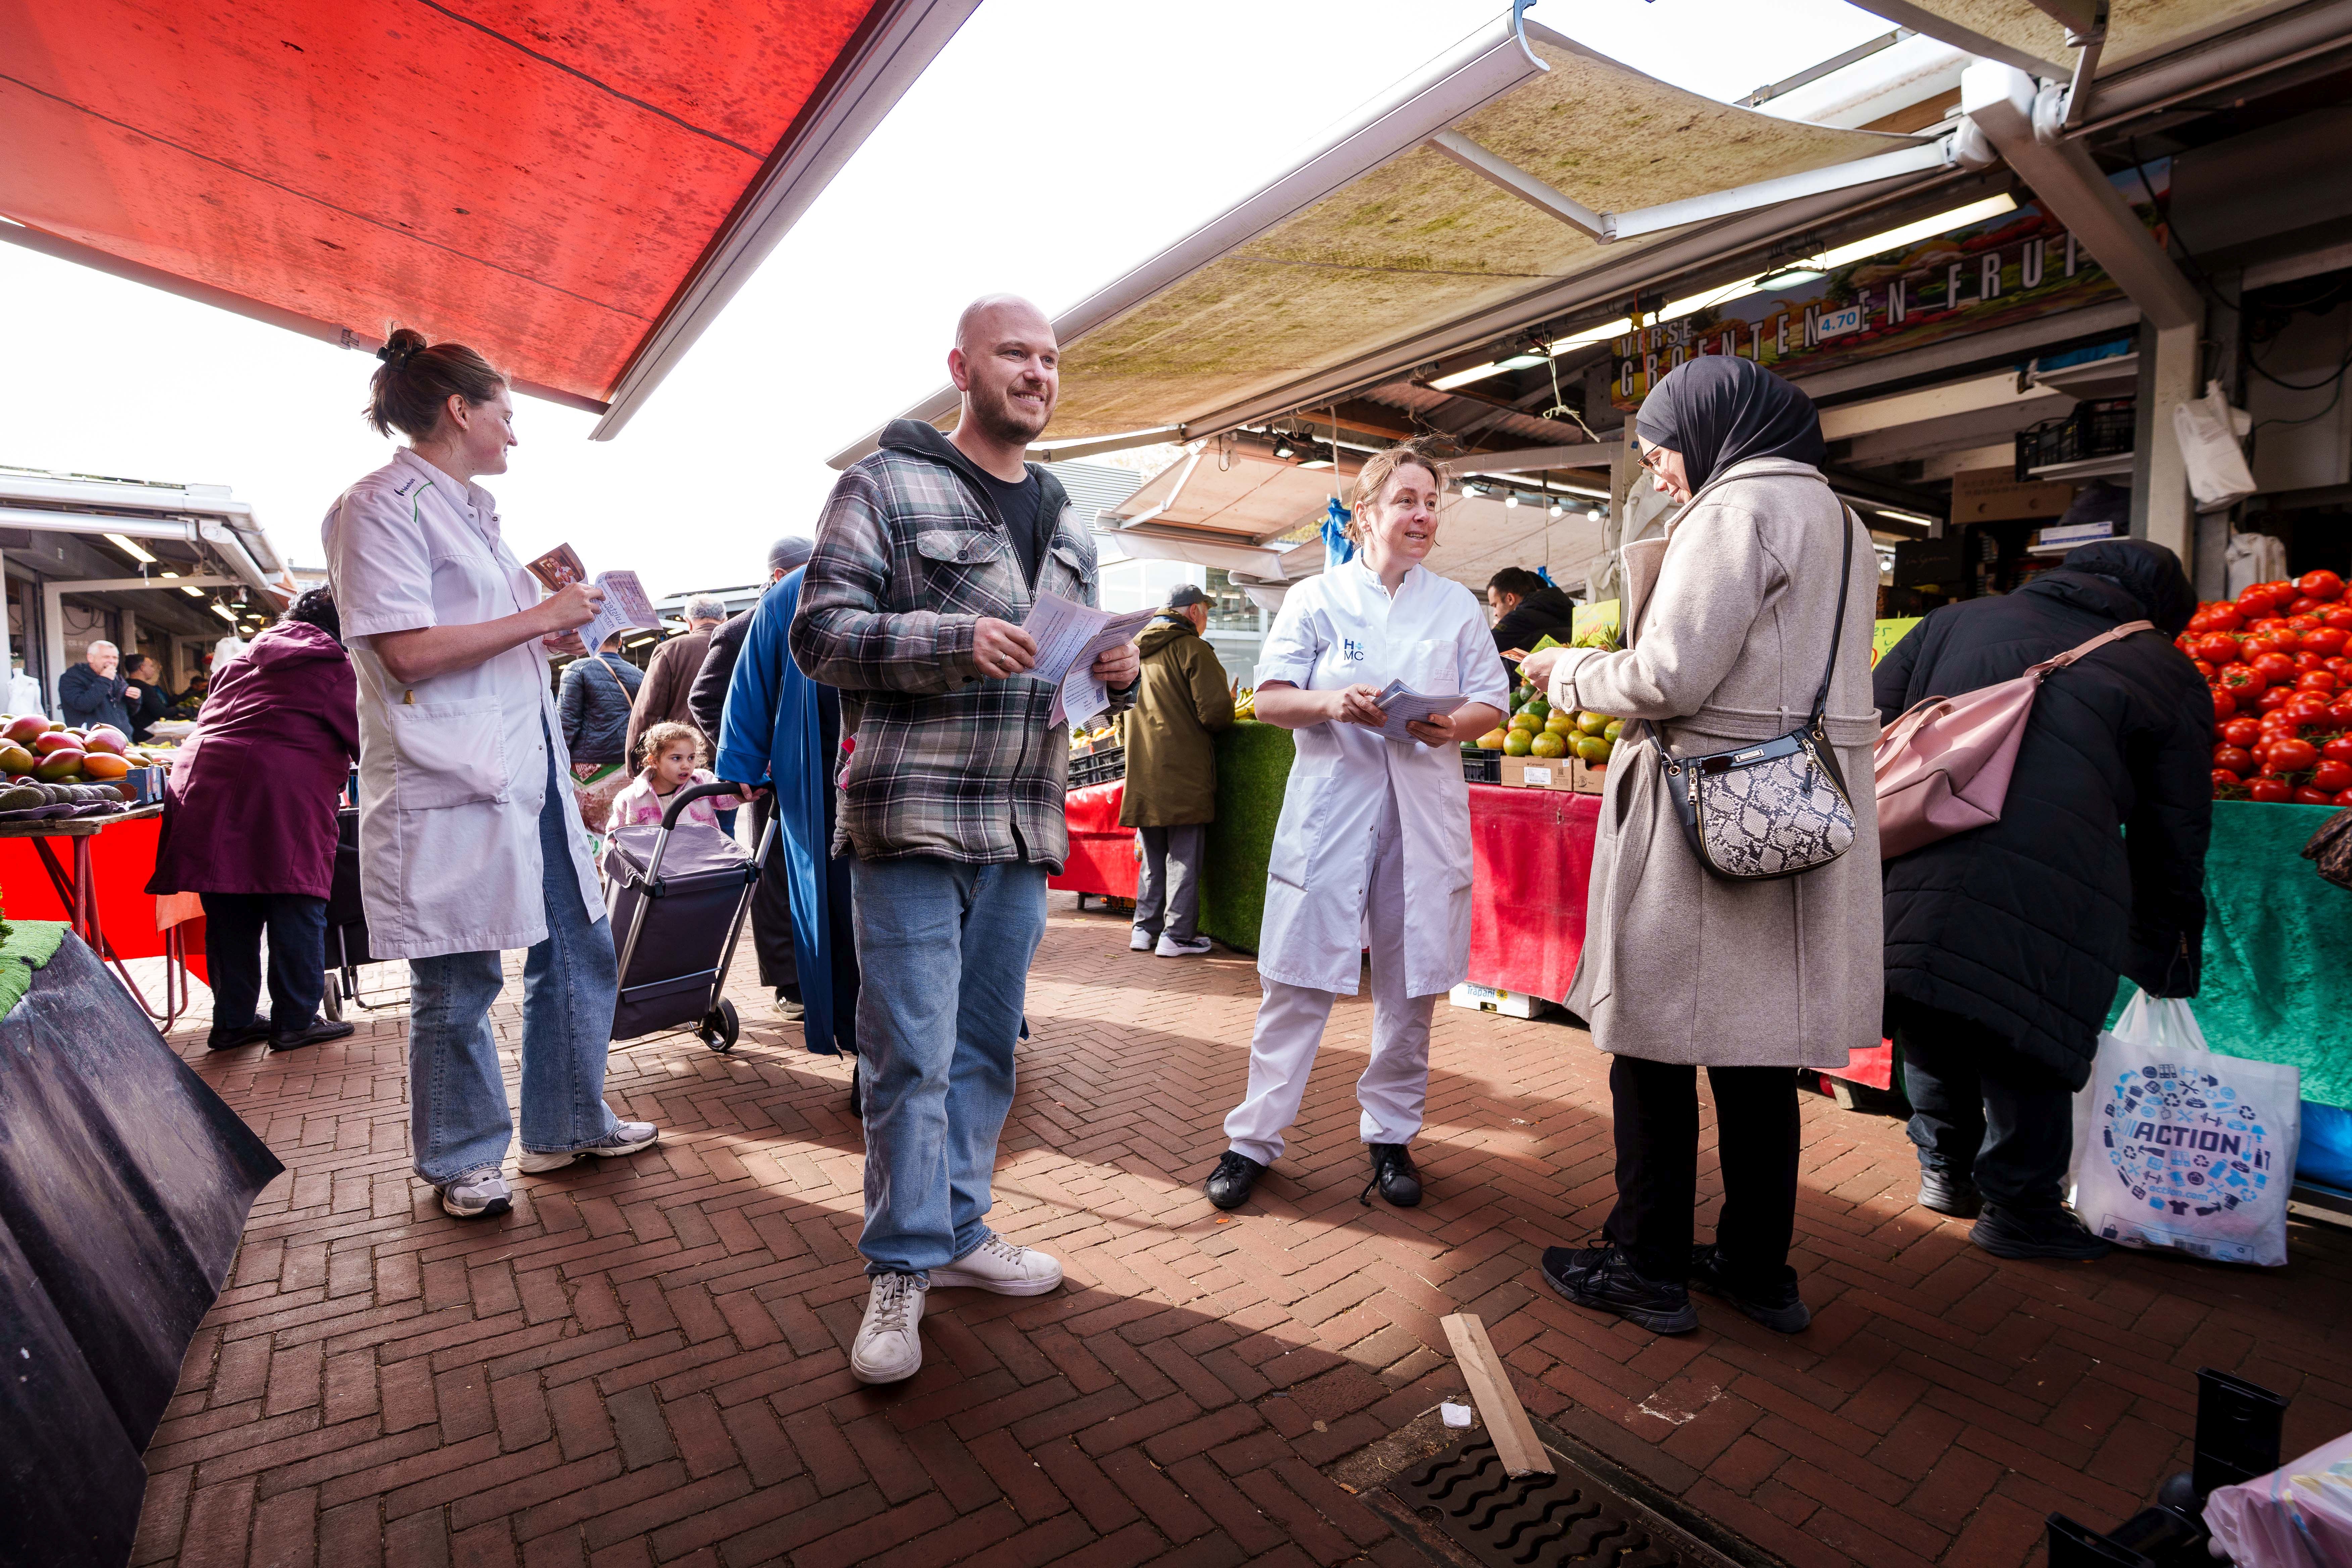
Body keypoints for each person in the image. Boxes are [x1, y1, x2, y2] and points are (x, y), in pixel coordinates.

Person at [790, 293, 1140, 1385]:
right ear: (960, 368)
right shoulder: (882, 485)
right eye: (1013, 355)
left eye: (1047, 358)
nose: (1036, 372)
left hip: (1020, 821)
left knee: (986, 1052)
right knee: (907, 1053)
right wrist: (952, 639)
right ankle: (897, 1264)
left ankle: (956, 1233)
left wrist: (1110, 676)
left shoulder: (1068, 513)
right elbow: (818, 633)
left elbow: (1066, 677)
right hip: (909, 816)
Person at [1519, 355, 1881, 1338]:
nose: (1661, 474)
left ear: (1709, 428)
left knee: (1651, 1046)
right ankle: (1759, 1269)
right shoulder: (1841, 522)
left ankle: (1645, 1266)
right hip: (1795, 808)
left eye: (1660, 454)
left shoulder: (1735, 511)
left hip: (1702, 813)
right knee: (1760, 1059)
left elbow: (1670, 676)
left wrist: (1568, 671)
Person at [324, 326, 656, 1222]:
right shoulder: (378, 507)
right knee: (459, 975)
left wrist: (552, 631)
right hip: (457, 778)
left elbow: (482, 644)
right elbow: (406, 652)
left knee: (579, 946)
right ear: (461, 409)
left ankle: (565, 1120)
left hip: (528, 773)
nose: (515, 433)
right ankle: (460, 1159)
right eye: (506, 413)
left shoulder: (474, 515)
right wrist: (535, 616)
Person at [1875, 537, 2209, 1260]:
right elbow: (2173, 826)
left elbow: (1869, 721)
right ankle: (2022, 1209)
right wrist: (2169, 943)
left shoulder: (1954, 621)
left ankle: (1944, 1168)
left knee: (1931, 998)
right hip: (2064, 874)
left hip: (1927, 837)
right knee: (2029, 1034)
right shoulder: (2166, 669)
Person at [1203, 438, 1507, 1214]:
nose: (1423, 515)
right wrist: (1333, 702)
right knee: (1296, 981)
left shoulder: (1456, 605)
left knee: (1410, 986)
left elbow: (1491, 703)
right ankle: (1253, 1141)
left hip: (1422, 818)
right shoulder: (1316, 599)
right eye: (1407, 500)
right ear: (1366, 512)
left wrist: (1450, 725)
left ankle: (1391, 1135)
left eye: (1432, 503)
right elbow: (1270, 699)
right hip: (1334, 813)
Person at [147, 589, 360, 1053]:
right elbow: (370, 741)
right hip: (276, 789)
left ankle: (233, 1021)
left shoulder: (240, 662)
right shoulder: (335, 667)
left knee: (229, 905)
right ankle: (296, 1020)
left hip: (201, 784)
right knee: (296, 896)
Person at [715, 558, 862, 1072]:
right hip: (828, 786)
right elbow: (751, 680)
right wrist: (742, 764)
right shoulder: (798, 589)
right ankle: (872, 1056)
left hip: (910, 782)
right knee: (844, 923)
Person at [692, 537, 815, 1016]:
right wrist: (753, 758)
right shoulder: (742, 627)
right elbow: (705, 698)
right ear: (781, 576)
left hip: (821, 773)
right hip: (772, 779)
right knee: (778, 876)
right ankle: (789, 983)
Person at [1122, 583, 1234, 957]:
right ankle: (1177, 935)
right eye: (1205, 609)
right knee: (1184, 854)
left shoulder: (1134, 651)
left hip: (1142, 769)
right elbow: (1216, 714)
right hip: (1184, 770)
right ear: (1193, 612)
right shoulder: (1193, 649)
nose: (1206, 617)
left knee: (1153, 854)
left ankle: (1143, 929)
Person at [626, 593, 728, 774]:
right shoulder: (744, 647)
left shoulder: (670, 650)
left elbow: (647, 711)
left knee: (686, 803)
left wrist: (634, 764)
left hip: (683, 761)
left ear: (688, 622)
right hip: (732, 756)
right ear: (725, 620)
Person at [557, 632, 644, 835]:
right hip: (625, 766)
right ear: (620, 643)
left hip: (587, 767)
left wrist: (556, 758)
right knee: (619, 828)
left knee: (585, 832)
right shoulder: (640, 675)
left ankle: (595, 867)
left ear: (590, 642)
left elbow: (567, 723)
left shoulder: (577, 669)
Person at [606, 722, 741, 832]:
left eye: (691, 758)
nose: (686, 766)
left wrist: (746, 784)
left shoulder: (702, 782)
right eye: (677, 758)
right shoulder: (629, 799)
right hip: (654, 864)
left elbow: (727, 800)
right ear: (654, 761)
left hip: (701, 862)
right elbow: (614, 841)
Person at [1486, 567, 1579, 662]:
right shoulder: (1569, 612)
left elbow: (1483, 649)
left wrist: (1500, 628)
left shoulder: (1518, 619)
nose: (1495, 613)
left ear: (1510, 599)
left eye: (1495, 605)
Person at [59, 640, 135, 732]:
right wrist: (105, 680)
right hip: (91, 739)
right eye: (106, 657)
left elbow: (131, 711)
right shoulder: (72, 677)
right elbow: (83, 705)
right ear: (91, 658)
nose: (112, 662)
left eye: (115, 658)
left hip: (122, 737)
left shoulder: (117, 678)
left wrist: (135, 699)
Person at [125, 654, 169, 742]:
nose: (153, 669)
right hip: (145, 735)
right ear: (142, 668)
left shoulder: (124, 685)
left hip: (131, 733)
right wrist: (179, 710)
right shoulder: (145, 688)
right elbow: (160, 712)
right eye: (151, 666)